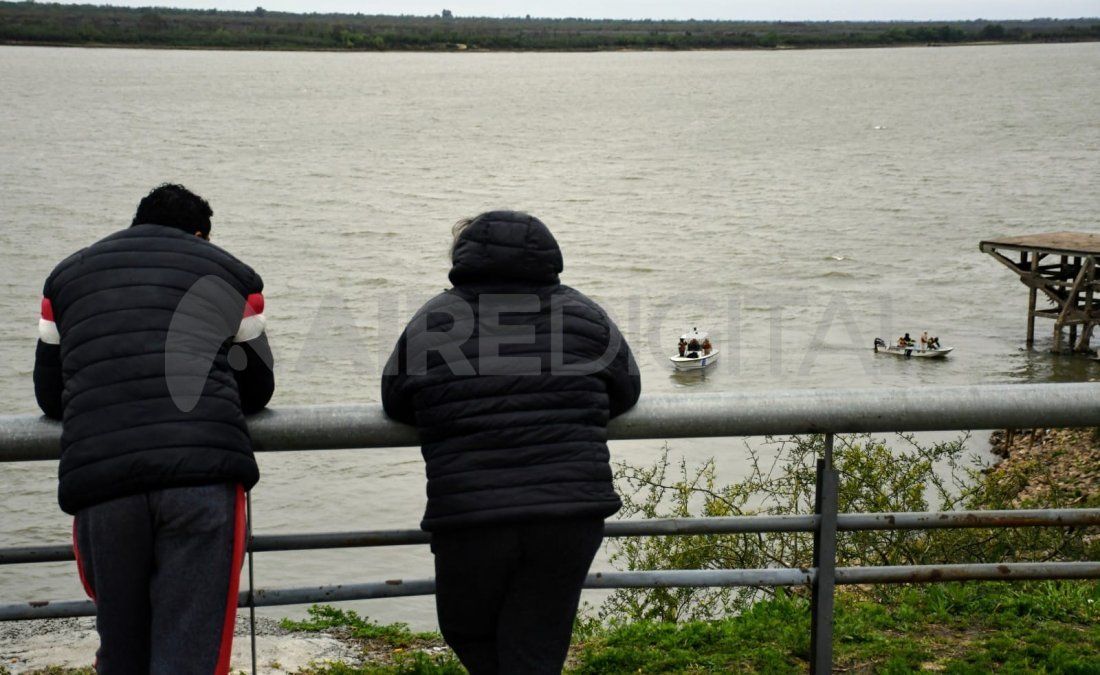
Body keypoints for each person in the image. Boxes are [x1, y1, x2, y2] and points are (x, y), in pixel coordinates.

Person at [382, 211, 640, 675]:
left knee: (467, 630)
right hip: (568, 512)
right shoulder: (584, 314)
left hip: (471, 514)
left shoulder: (434, 321)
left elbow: (396, 400)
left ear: (464, 257)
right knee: (537, 643)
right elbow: (626, 391)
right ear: (547, 256)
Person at [33, 183, 274, 674]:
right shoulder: (229, 273)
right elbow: (258, 387)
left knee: (121, 650)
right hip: (201, 479)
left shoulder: (65, 278)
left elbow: (48, 393)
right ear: (200, 233)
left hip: (103, 484)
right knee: (190, 649)